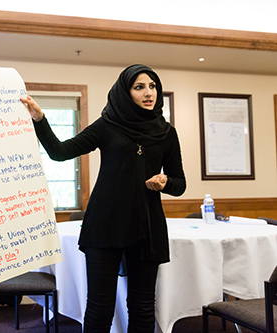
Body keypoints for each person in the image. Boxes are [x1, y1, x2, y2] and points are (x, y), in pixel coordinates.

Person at [21, 64, 186, 332]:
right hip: (105, 224)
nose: (148, 93)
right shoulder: (108, 126)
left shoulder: (167, 133)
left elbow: (180, 184)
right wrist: (40, 119)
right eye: (139, 87)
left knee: (143, 306)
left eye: (153, 86)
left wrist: (165, 181)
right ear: (125, 91)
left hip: (147, 227)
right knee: (100, 306)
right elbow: (60, 152)